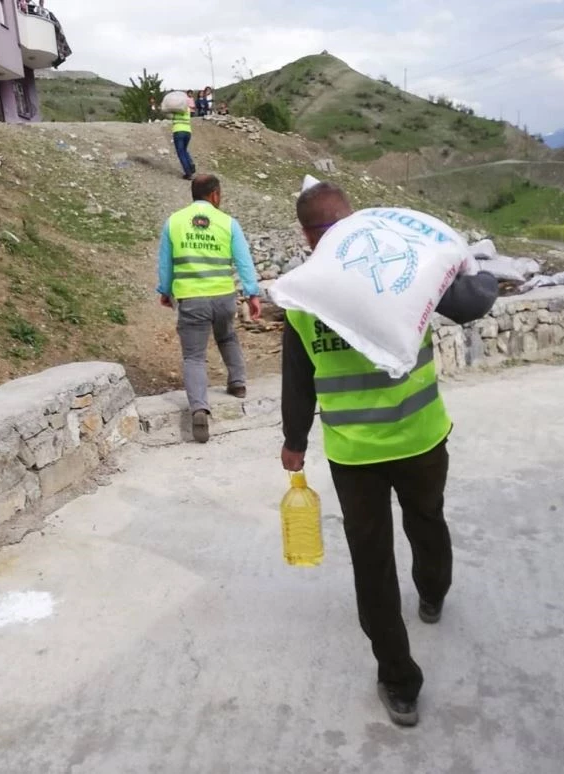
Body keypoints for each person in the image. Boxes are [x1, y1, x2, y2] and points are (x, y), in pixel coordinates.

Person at [280, 182, 499, 727]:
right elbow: (471, 302)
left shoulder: (303, 296)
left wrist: (294, 442)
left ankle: (398, 683)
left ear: (308, 237)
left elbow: (296, 379)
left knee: (371, 565)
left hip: (354, 458)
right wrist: (489, 268)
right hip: (422, 437)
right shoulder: (408, 269)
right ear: (356, 222)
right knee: (427, 521)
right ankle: (432, 593)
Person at [157, 174, 262, 443]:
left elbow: (166, 264)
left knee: (194, 356)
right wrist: (252, 293)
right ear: (214, 195)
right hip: (223, 297)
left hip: (191, 300)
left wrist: (165, 291)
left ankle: (199, 409)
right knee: (227, 336)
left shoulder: (174, 222)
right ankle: (237, 383)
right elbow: (243, 260)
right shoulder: (228, 223)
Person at [170, 101, 196, 180]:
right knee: (184, 150)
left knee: (180, 152)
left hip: (178, 131)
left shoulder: (176, 110)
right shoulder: (187, 109)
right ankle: (190, 162)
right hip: (188, 131)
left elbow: (169, 115)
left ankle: (188, 173)